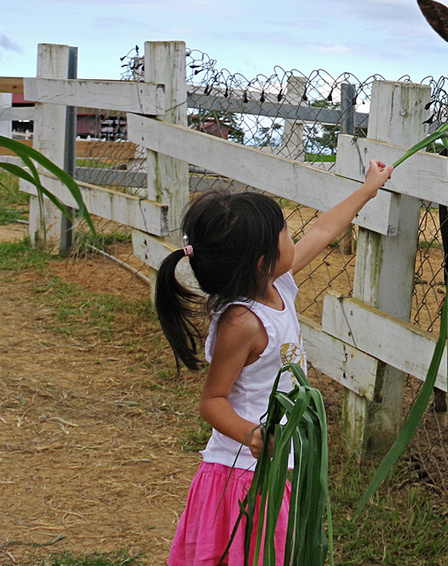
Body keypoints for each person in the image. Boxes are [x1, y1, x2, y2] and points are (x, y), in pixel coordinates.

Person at [155, 161, 393, 566]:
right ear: (261, 260)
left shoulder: (274, 282)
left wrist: (368, 190)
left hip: (279, 463)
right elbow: (212, 401)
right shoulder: (242, 322)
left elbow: (321, 230)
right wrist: (253, 435)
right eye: (283, 231)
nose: (292, 234)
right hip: (245, 474)